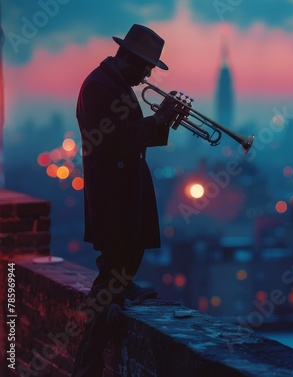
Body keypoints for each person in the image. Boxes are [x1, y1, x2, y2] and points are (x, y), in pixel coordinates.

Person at [72, 24, 187, 376]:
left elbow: (132, 136)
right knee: (111, 275)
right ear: (130, 58)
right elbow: (119, 141)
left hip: (124, 192)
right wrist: (161, 117)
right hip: (114, 197)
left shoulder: (114, 83)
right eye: (146, 65)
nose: (149, 74)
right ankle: (87, 363)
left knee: (120, 267)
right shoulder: (100, 86)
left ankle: (121, 289)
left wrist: (164, 121)